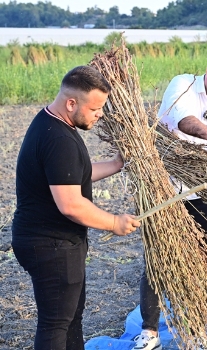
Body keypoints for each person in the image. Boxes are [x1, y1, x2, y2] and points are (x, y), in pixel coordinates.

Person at [11, 65, 141, 350]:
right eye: (95, 108)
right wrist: (114, 222)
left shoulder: (53, 124)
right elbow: (70, 203)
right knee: (56, 324)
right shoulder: (58, 139)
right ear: (72, 103)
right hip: (50, 244)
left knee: (71, 318)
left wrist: (116, 165)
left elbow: (71, 175)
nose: (100, 114)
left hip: (54, 242)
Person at [133, 51, 207, 350]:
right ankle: (150, 332)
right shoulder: (182, 84)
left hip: (200, 194)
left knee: (198, 259)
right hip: (163, 189)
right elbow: (182, 121)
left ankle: (192, 328)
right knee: (157, 259)